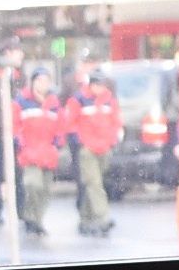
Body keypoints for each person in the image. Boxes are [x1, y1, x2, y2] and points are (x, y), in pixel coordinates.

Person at [12, 67, 65, 241]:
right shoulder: (22, 101)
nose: (42, 84)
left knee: (45, 190)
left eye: (45, 81)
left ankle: (37, 220)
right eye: (39, 80)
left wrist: (58, 142)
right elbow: (15, 124)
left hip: (48, 153)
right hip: (30, 152)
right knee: (32, 185)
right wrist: (20, 142)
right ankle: (30, 216)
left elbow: (60, 125)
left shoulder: (53, 103)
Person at [69, 68, 121, 238]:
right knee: (94, 183)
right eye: (96, 84)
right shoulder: (79, 100)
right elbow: (71, 122)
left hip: (104, 147)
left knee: (93, 184)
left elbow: (115, 121)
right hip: (88, 149)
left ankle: (85, 218)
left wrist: (112, 141)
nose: (99, 88)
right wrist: (81, 142)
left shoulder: (109, 101)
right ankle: (102, 217)